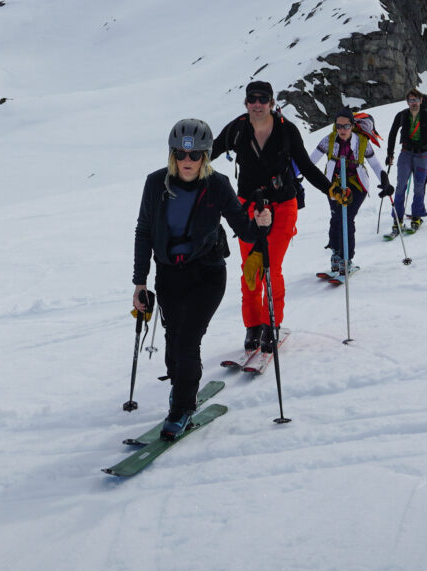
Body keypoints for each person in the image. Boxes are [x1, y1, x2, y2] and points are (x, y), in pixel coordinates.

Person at [132, 118, 272, 440]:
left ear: (206, 156)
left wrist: (262, 222)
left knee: (187, 341)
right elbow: (143, 231)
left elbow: (245, 229)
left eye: (195, 156)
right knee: (173, 343)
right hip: (169, 276)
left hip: (207, 275)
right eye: (181, 154)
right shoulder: (155, 184)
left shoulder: (218, 185)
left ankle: (181, 407)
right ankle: (180, 386)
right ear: (172, 154)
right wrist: (141, 282)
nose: (187, 161)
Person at [210, 80, 334, 355]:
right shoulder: (237, 129)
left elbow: (305, 165)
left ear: (271, 102)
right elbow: (207, 154)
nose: (257, 104)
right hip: (246, 208)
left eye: (262, 99)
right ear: (246, 103)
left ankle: (271, 324)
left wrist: (330, 190)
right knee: (249, 272)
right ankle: (253, 326)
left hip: (282, 205)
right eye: (252, 99)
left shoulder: (286, 130)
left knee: (270, 266)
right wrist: (182, 168)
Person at [314, 110, 380, 277]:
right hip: (333, 186)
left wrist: (384, 181)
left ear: (352, 126)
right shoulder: (328, 140)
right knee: (336, 216)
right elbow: (310, 160)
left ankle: (346, 259)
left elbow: (375, 164)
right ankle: (336, 254)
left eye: (346, 126)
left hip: (357, 185)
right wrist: (294, 175)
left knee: (346, 217)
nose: (342, 130)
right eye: (339, 126)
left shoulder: (362, 142)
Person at [382, 88, 427, 233]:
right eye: (411, 100)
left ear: (421, 100)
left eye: (416, 100)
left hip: (423, 155)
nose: (414, 103)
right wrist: (390, 153)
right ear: (407, 102)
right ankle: (397, 218)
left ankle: (416, 216)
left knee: (419, 187)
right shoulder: (401, 115)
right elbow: (392, 133)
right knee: (400, 186)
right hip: (406, 154)